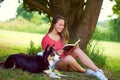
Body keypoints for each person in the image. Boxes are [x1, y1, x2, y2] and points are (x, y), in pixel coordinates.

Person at [41, 15, 108, 80]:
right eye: (60, 25)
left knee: (77, 50)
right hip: (55, 64)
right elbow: (45, 58)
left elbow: (65, 52)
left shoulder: (62, 36)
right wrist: (56, 53)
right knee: (69, 58)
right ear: (54, 24)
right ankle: (86, 71)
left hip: (65, 59)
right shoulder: (46, 39)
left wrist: (73, 48)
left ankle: (98, 71)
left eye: (63, 25)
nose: (62, 27)